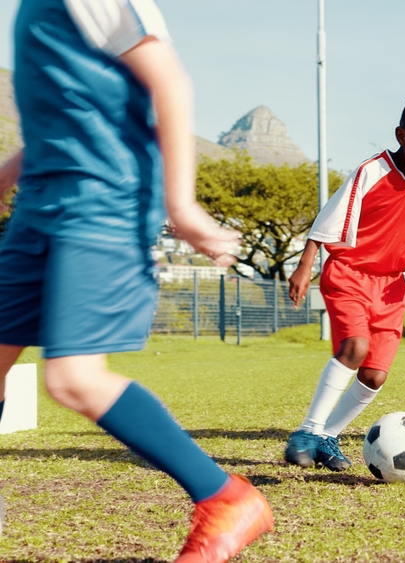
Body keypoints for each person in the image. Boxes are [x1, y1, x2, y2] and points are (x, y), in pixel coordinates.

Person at [0, 1, 273, 561]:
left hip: (103, 204)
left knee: (72, 378)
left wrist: (184, 206)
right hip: (42, 204)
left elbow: (168, 80)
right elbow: (74, 115)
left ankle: (225, 497)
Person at [284, 97, 405, 471]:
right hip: (349, 272)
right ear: (402, 135)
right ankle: (307, 432)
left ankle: (328, 435)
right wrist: (305, 265)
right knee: (355, 347)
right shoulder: (372, 172)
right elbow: (328, 218)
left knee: (375, 374)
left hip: (392, 286)